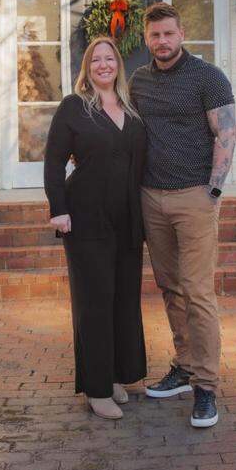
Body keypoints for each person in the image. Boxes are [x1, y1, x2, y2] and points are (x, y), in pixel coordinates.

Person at [130, 3, 236, 428]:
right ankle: (184, 365)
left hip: (194, 196)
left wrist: (214, 188)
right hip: (151, 198)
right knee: (170, 287)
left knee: (197, 291)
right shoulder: (138, 81)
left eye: (169, 34)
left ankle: (206, 387)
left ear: (181, 32)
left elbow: (226, 132)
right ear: (146, 37)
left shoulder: (207, 77)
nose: (162, 41)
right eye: (155, 35)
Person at [43, 36, 149, 420]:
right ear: (87, 68)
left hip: (128, 219)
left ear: (118, 64)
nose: (104, 65)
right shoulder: (74, 107)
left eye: (109, 58)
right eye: (95, 60)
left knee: (123, 298)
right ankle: (97, 388)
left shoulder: (131, 108)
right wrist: (59, 209)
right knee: (95, 301)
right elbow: (54, 162)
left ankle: (118, 375)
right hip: (86, 217)